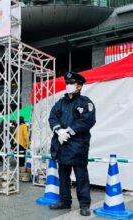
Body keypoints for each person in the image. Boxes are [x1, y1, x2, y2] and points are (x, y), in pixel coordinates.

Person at [48, 72, 96, 217]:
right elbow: (52, 117)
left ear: (79, 86)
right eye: (67, 83)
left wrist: (68, 132)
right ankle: (65, 201)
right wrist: (58, 131)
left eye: (72, 83)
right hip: (61, 145)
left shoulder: (85, 102)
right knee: (63, 176)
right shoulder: (60, 103)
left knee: (81, 176)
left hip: (78, 146)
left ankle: (85, 204)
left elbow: (87, 120)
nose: (68, 85)